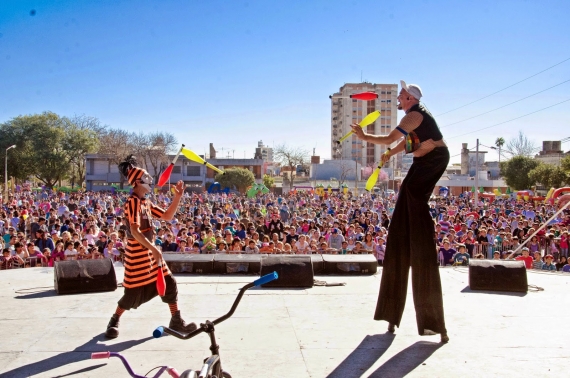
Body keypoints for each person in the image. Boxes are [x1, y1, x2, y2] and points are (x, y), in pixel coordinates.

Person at [351, 80, 449, 342]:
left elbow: (387, 139)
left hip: (435, 160)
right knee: (405, 197)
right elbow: (404, 145)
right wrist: (388, 156)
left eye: (401, 94)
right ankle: (407, 229)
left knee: (413, 198)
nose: (398, 96)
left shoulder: (416, 115)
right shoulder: (413, 121)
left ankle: (420, 227)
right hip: (421, 162)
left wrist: (363, 137)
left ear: (410, 98)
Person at [104, 155, 197, 339]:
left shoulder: (146, 202)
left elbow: (167, 216)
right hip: (137, 254)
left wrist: (177, 197)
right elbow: (135, 231)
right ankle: (114, 319)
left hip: (152, 252)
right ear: (137, 181)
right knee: (132, 294)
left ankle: (176, 320)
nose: (150, 180)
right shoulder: (132, 202)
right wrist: (154, 249)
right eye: (146, 177)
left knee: (169, 283)